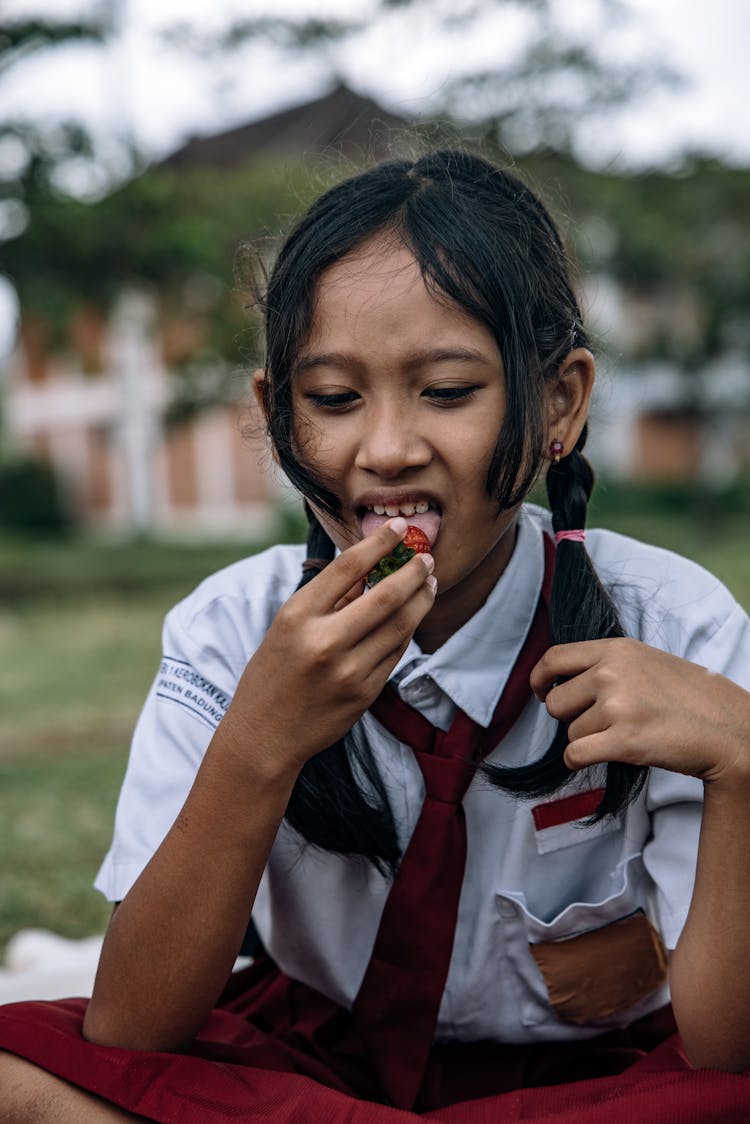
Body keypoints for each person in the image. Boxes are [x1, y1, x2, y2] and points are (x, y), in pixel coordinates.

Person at [2, 149, 750, 1123]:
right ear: (277, 413)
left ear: (560, 401)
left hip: (594, 1083)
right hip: (318, 1067)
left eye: (446, 391)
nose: (388, 448)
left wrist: (741, 759)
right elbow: (134, 1025)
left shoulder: (672, 623)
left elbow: (729, 1047)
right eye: (335, 399)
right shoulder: (231, 631)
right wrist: (259, 742)